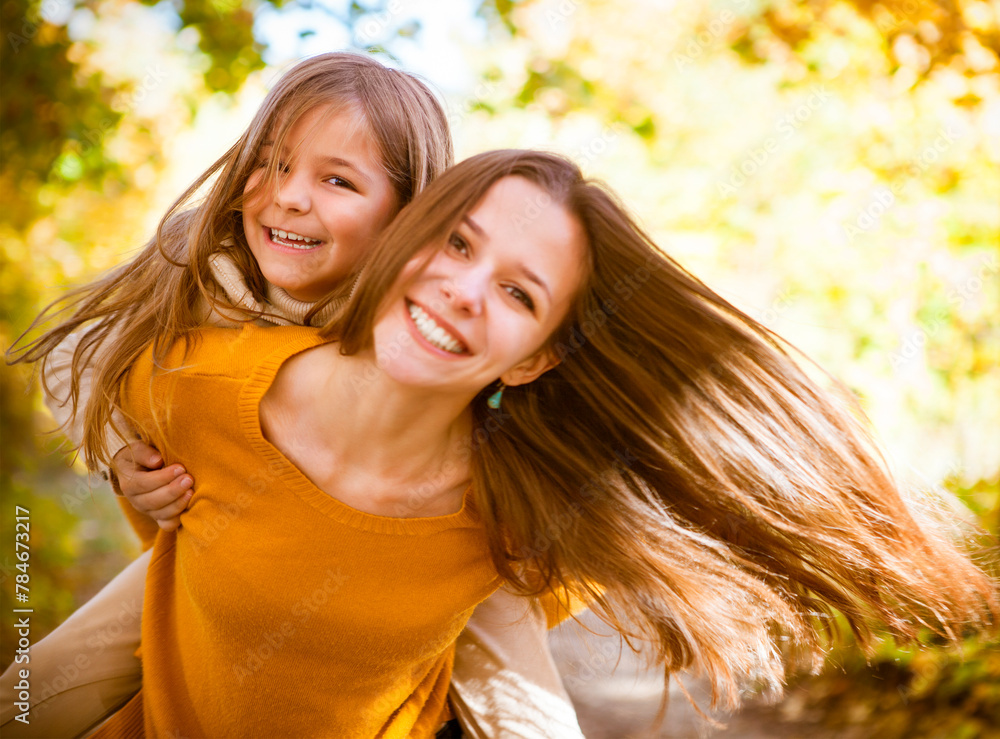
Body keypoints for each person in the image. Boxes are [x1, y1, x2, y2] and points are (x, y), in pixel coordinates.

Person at [83, 150, 1000, 735]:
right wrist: (122, 458)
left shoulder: (524, 510)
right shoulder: (199, 379)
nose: (463, 291)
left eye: (519, 294)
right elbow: (105, 399)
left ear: (532, 361)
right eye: (454, 244)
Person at [2, 56, 583, 739]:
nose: (289, 196)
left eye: (336, 180)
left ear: (407, 217)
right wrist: (120, 452)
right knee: (48, 681)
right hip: (222, 526)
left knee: (506, 657)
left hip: (415, 526)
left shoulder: (403, 305)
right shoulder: (202, 260)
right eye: (272, 164)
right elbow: (79, 350)